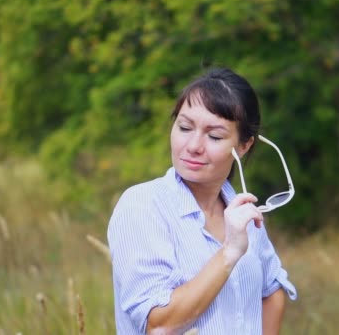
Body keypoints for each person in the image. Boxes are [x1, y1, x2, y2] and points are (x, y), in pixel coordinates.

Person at [107, 68, 297, 335]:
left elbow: (273, 290)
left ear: (243, 146)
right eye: (184, 127)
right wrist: (229, 252)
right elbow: (159, 324)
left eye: (215, 136)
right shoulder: (142, 206)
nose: (194, 145)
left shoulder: (243, 212)